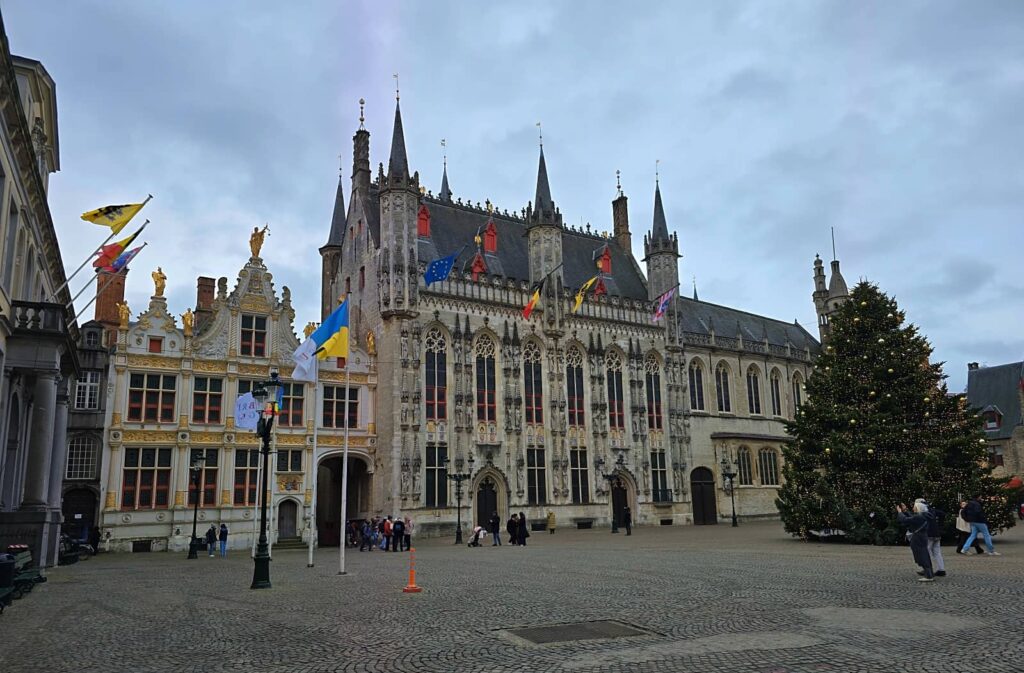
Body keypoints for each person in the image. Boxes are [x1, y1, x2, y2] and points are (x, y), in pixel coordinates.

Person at [897, 502, 935, 582]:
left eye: (915, 507)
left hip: (918, 538)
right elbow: (912, 518)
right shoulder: (924, 515)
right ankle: (929, 572)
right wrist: (906, 510)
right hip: (922, 536)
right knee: (924, 554)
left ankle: (928, 575)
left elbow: (905, 520)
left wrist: (900, 512)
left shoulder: (919, 517)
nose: (913, 508)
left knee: (921, 555)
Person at [917, 499, 945, 577]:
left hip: (928, 534)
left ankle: (927, 569)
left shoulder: (923, 513)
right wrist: (940, 525)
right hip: (937, 533)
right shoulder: (932, 510)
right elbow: (942, 514)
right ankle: (941, 569)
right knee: (937, 552)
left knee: (926, 552)